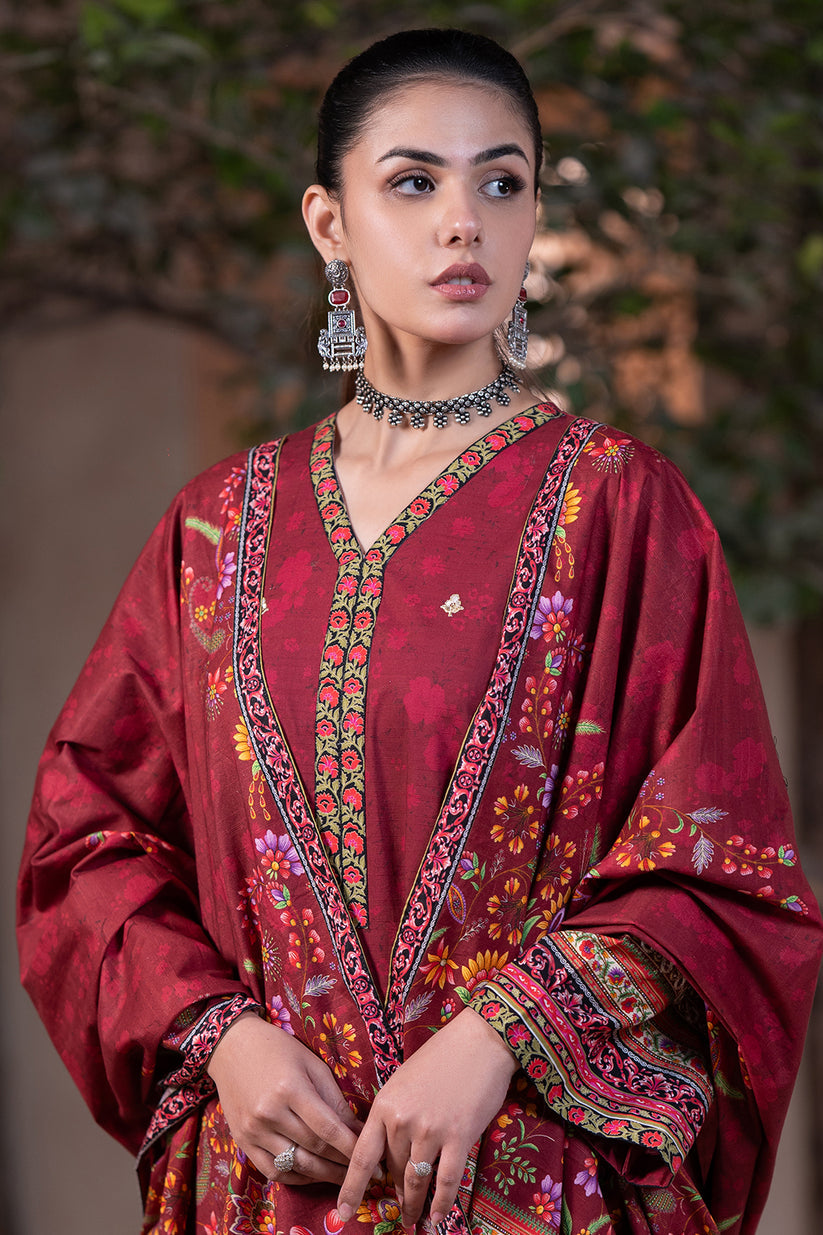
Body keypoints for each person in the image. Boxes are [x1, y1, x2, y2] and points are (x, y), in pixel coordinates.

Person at [17, 27, 822, 1235]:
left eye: (502, 183)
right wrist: (222, 1036)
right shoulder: (215, 530)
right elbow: (85, 841)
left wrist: (500, 1035)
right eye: (412, 181)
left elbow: (719, 867)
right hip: (269, 1187)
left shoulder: (616, 506)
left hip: (531, 1182)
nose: (463, 222)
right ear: (328, 223)